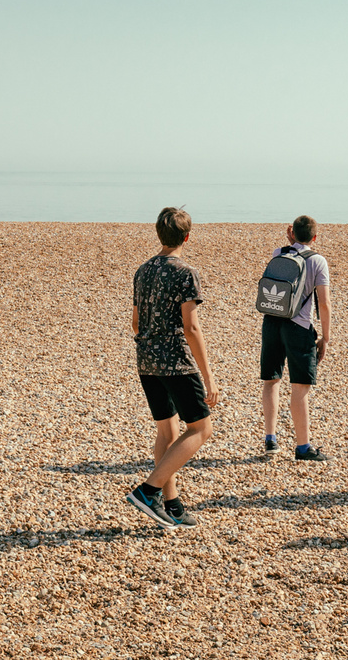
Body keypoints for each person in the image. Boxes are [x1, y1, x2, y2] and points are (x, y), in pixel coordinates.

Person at [124, 207, 220, 529]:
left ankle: (172, 504)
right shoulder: (185, 272)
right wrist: (209, 378)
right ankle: (148, 491)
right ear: (187, 237)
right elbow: (191, 328)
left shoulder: (142, 271)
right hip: (176, 362)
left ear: (159, 234)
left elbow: (136, 323)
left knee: (168, 431)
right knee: (201, 429)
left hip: (146, 360)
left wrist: (151, 345)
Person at [258, 215, 332, 461]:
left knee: (271, 380)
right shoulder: (318, 261)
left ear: (292, 233)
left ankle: (270, 439)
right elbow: (324, 302)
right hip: (299, 327)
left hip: (272, 322)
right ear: (315, 237)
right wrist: (325, 338)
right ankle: (303, 447)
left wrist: (290, 243)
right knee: (300, 388)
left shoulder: (278, 252)